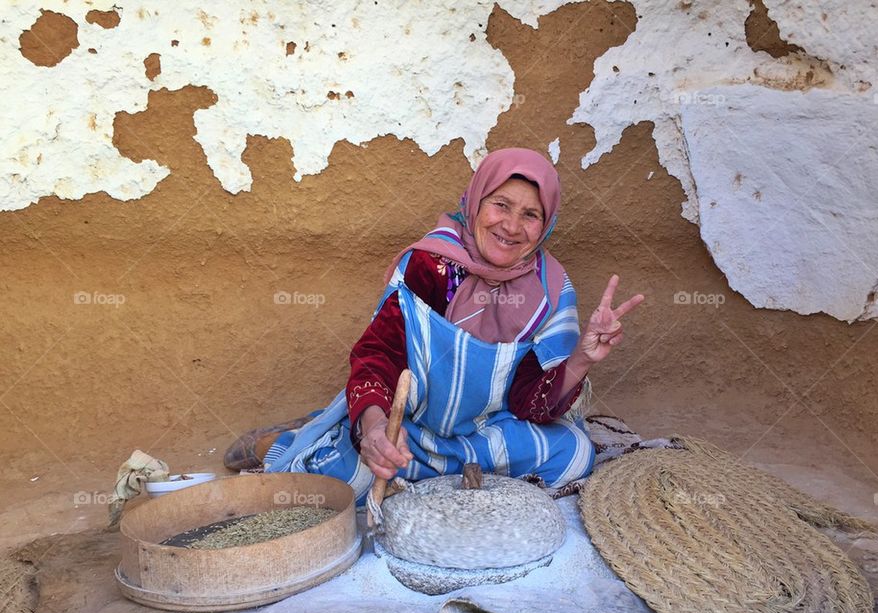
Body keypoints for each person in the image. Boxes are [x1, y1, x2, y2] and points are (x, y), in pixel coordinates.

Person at [224, 148, 644, 505]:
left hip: (488, 430)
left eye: (530, 214)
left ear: (545, 223)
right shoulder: (430, 265)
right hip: (414, 427)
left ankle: (434, 467)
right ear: (476, 203)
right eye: (500, 205)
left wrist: (581, 359)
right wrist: (374, 431)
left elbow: (528, 405)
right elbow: (379, 358)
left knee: (574, 455)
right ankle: (295, 437)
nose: (512, 226)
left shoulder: (551, 287)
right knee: (346, 482)